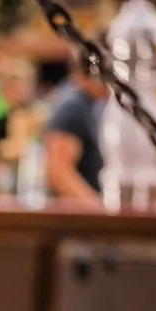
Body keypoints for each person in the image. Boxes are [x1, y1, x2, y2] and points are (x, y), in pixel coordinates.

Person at [43, 52, 110, 205]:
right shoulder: (74, 107)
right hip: (79, 221)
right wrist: (98, 210)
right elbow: (58, 172)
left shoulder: (85, 105)